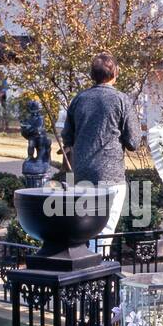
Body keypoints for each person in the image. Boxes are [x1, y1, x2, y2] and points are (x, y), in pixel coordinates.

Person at [61, 53, 141, 240]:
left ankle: (86, 265)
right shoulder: (121, 100)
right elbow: (134, 142)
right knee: (104, 231)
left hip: (82, 175)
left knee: (86, 229)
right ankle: (99, 268)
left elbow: (67, 137)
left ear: (92, 75)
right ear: (115, 73)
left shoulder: (79, 99)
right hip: (110, 176)